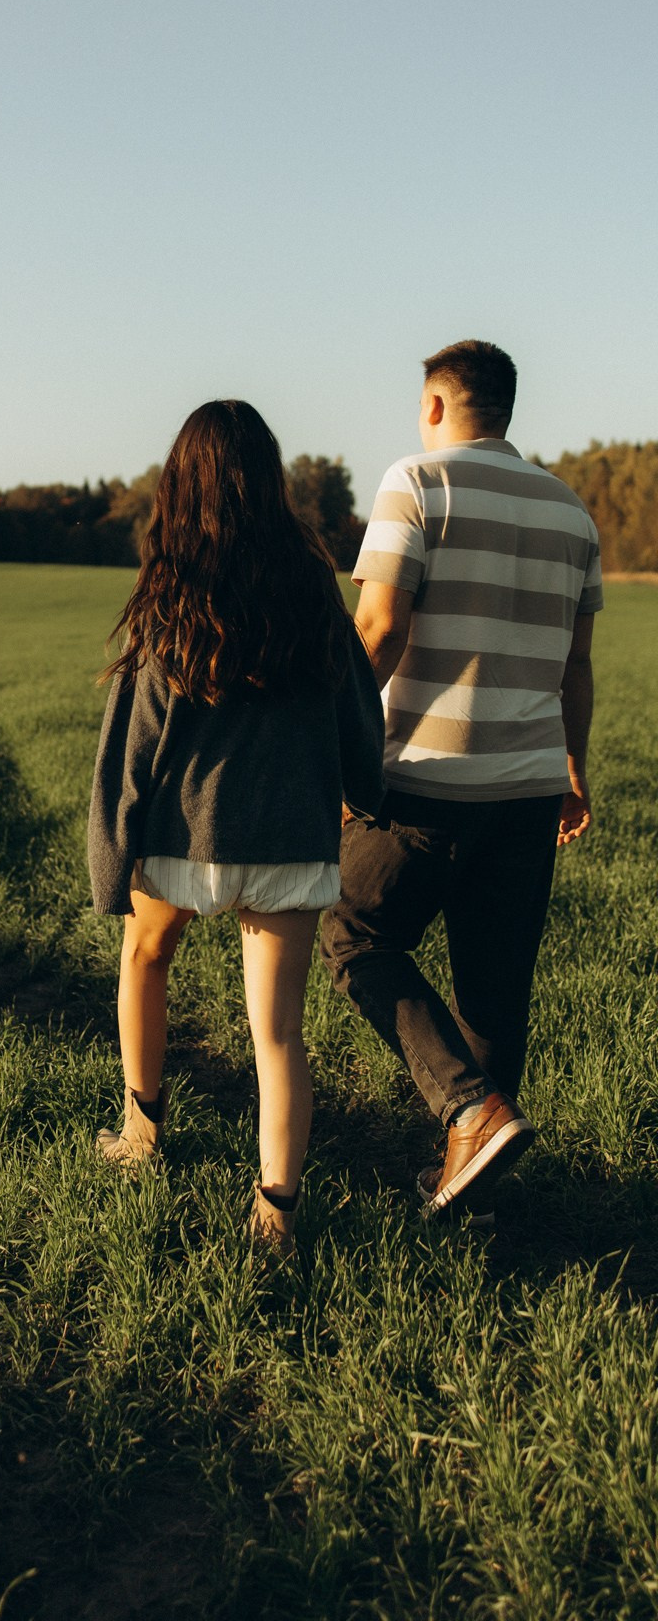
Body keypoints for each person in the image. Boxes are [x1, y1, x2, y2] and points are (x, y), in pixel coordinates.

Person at [88, 400, 384, 1254]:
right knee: (277, 1033)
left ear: (182, 483)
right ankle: (276, 1214)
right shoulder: (312, 585)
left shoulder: (170, 589)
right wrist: (367, 792)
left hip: (187, 839)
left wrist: (115, 858)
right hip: (290, 841)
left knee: (145, 957)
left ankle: (141, 1138)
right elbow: (357, 708)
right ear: (270, 479)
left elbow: (133, 741)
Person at [321, 340, 602, 1221]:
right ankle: (475, 1192)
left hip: (424, 787)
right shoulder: (571, 513)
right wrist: (572, 767)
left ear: (437, 405)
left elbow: (379, 628)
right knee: (493, 990)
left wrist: (331, 747)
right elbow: (578, 666)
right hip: (524, 791)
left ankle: (470, 1110)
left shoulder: (417, 480)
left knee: (348, 929)